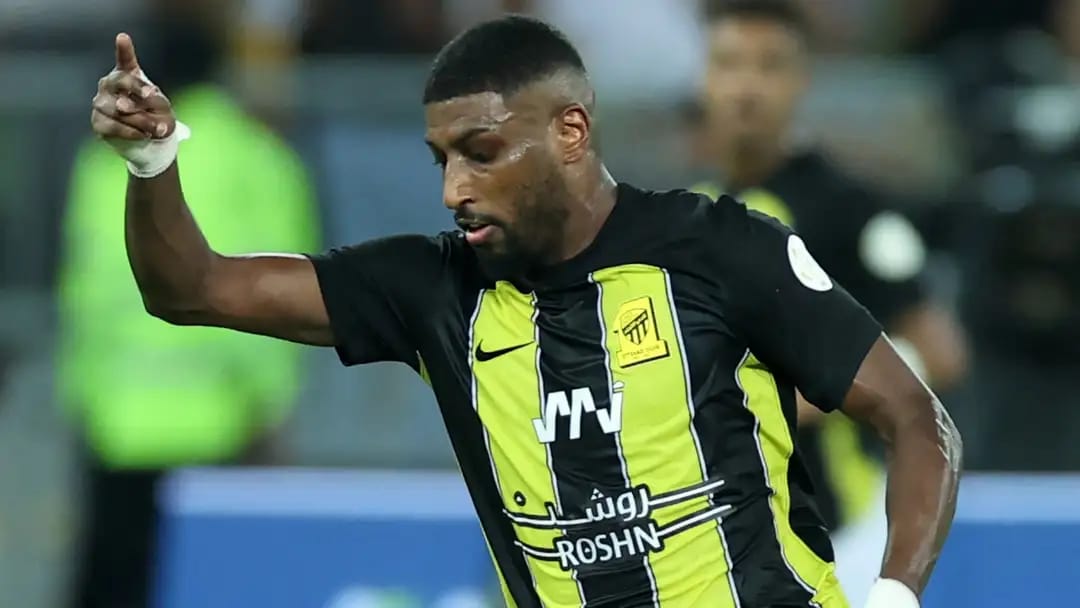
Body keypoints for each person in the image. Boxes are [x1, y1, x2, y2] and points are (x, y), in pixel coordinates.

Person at [88, 15, 961, 608]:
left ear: (570, 133)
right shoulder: (433, 290)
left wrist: (891, 597)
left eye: (482, 152)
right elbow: (191, 288)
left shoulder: (724, 248)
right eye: (441, 159)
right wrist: (150, 162)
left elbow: (919, 419)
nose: (454, 189)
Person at [690, 1, 968, 604]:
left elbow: (942, 353)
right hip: (721, 537)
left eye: (769, 65)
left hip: (839, 533)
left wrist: (827, 385)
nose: (747, 87)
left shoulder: (850, 210)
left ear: (802, 80)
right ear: (704, 77)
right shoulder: (687, 215)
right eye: (729, 63)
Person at [61, 6, 319, 608]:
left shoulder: (104, 156)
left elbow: (85, 287)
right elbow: (283, 281)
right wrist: (270, 401)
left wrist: (82, 396)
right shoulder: (257, 154)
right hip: (221, 424)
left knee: (114, 586)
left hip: (118, 422)